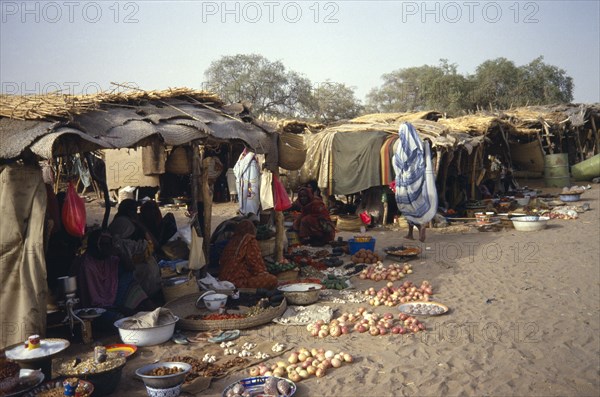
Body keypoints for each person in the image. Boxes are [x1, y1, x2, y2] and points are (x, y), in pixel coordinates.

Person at [72, 229, 155, 318]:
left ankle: (151, 311)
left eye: (109, 244)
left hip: (113, 298)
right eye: (104, 244)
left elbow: (130, 268)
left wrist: (121, 254)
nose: (108, 247)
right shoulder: (87, 265)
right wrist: (119, 308)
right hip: (97, 309)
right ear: (95, 246)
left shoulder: (109, 258)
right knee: (118, 319)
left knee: (132, 283)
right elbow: (94, 301)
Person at [392, 122, 438, 242]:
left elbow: (399, 164)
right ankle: (415, 230)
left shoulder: (403, 148)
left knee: (410, 206)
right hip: (416, 183)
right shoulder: (418, 146)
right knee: (413, 206)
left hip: (408, 184)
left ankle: (417, 230)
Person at [109, 199, 162, 300]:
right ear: (129, 212)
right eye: (134, 210)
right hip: (120, 266)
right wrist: (140, 225)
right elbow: (153, 245)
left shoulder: (129, 221)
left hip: (128, 260)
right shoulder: (123, 223)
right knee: (147, 268)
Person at [218, 220, 278, 289]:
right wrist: (264, 272)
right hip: (237, 282)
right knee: (273, 279)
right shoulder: (249, 241)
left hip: (222, 280)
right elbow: (256, 267)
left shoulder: (231, 241)